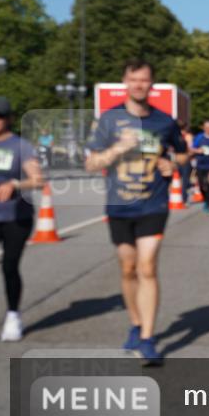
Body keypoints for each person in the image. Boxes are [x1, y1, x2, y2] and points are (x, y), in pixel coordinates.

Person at [85, 60, 188, 365]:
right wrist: (117, 148)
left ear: (151, 85)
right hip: (119, 205)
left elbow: (182, 151)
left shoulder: (164, 122)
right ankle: (135, 322)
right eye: (134, 80)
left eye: (144, 80)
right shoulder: (109, 119)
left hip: (153, 204)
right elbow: (91, 164)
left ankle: (147, 338)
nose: (139, 85)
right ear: (125, 82)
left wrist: (174, 164)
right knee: (128, 268)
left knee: (147, 267)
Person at [0, 96, 44, 341]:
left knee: (9, 267)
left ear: (9, 119)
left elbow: (37, 179)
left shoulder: (20, 146)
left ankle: (13, 316)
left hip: (16, 216)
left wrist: (14, 183)